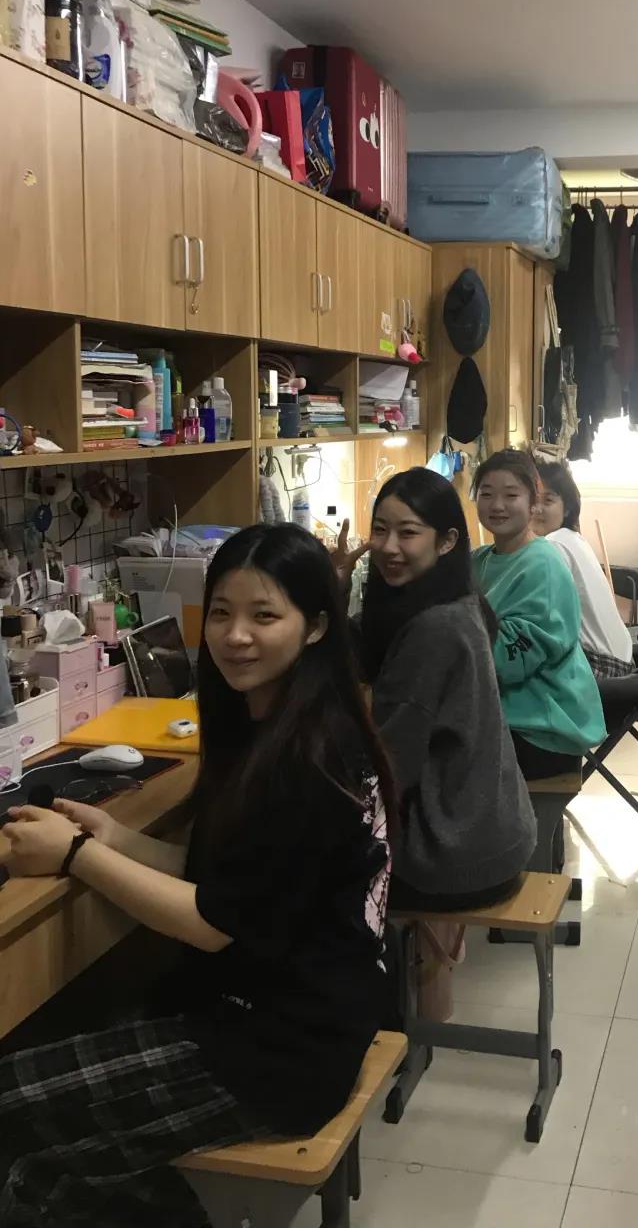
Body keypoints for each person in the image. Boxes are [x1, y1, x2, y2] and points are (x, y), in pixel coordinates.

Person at [0, 524, 393, 1227]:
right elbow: (230, 882)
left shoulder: (308, 761)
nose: (235, 636)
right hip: (273, 1016)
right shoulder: (276, 724)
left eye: (264, 615)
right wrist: (116, 838)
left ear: (315, 627)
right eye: (221, 612)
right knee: (40, 1137)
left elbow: (215, 924)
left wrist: (76, 855)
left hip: (277, 1053)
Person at [355, 466, 536, 911]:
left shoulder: (433, 629)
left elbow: (388, 766)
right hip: (498, 834)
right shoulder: (463, 600)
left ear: (447, 541)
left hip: (453, 856)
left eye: (408, 533)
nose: (388, 547)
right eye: (380, 530)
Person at [472, 449, 605, 781]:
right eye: (486, 494)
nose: (497, 505)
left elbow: (509, 662)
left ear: (533, 503)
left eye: (510, 495)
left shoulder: (542, 563)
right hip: (505, 716)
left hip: (540, 727)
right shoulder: (480, 559)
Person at [532, 456, 634, 678]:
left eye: (547, 501)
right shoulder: (574, 539)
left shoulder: (553, 544)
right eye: (533, 500)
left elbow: (541, 618)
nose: (537, 509)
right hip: (626, 659)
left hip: (602, 666)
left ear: (567, 508)